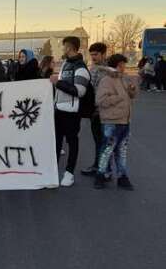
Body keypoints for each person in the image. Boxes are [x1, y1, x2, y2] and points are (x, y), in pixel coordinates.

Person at [50, 36, 91, 187]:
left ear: (69, 48)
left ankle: (69, 173)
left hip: (72, 113)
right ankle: (52, 170)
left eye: (63, 47)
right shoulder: (65, 64)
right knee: (56, 141)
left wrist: (58, 83)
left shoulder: (81, 68)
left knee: (72, 141)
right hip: (59, 110)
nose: (62, 49)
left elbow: (80, 91)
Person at [94, 54, 138, 190]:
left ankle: (122, 177)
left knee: (122, 151)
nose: (125, 67)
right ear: (118, 65)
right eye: (123, 65)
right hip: (111, 122)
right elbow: (100, 101)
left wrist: (132, 91)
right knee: (107, 150)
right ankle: (100, 176)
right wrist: (120, 97)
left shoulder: (122, 79)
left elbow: (132, 96)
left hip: (125, 120)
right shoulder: (106, 80)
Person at [81, 42, 110, 177]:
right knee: (99, 141)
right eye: (91, 54)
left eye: (96, 54)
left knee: (103, 142)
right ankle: (99, 166)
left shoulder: (108, 71)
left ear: (104, 54)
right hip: (94, 111)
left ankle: (103, 169)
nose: (93, 57)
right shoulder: (93, 68)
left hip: (103, 112)